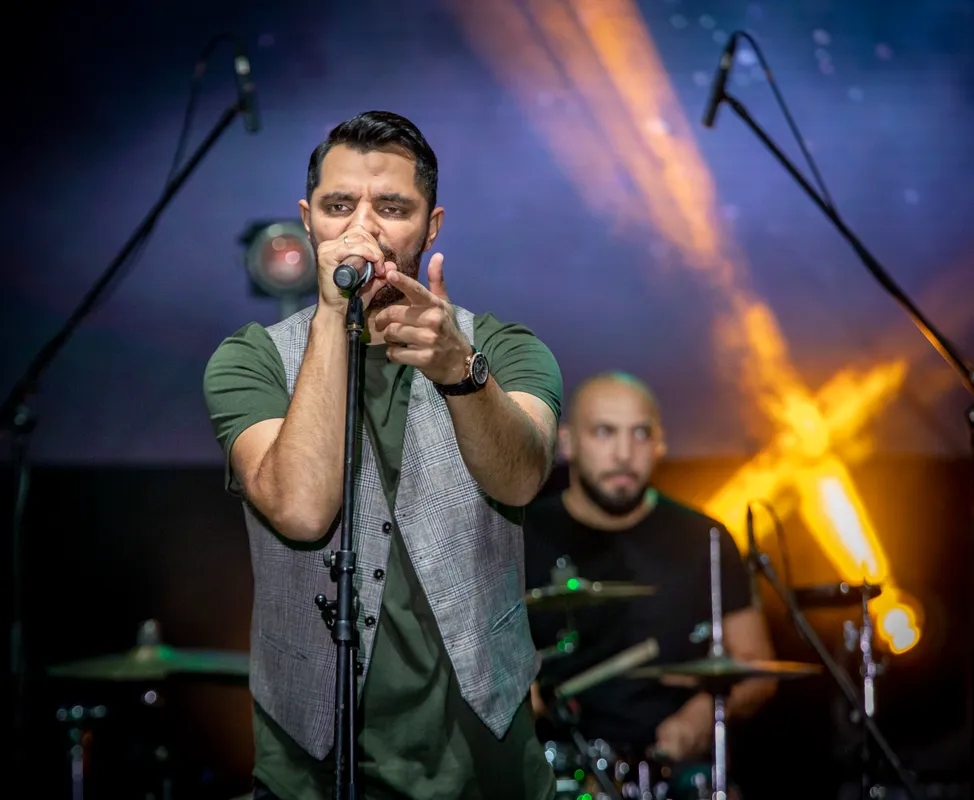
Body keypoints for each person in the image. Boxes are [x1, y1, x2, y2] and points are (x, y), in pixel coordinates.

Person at [203, 111, 562, 800]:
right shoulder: (250, 360)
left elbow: (521, 478)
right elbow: (302, 510)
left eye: (392, 208)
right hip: (309, 774)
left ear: (432, 227)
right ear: (308, 221)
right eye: (339, 207)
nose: (361, 229)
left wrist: (462, 374)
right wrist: (331, 314)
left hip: (486, 771)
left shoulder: (504, 348)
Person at [523, 372, 776, 784]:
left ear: (660, 444)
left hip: (676, 773)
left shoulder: (705, 538)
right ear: (566, 442)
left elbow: (755, 665)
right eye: (604, 432)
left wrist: (705, 712)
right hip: (559, 774)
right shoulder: (522, 534)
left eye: (640, 434)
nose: (624, 453)